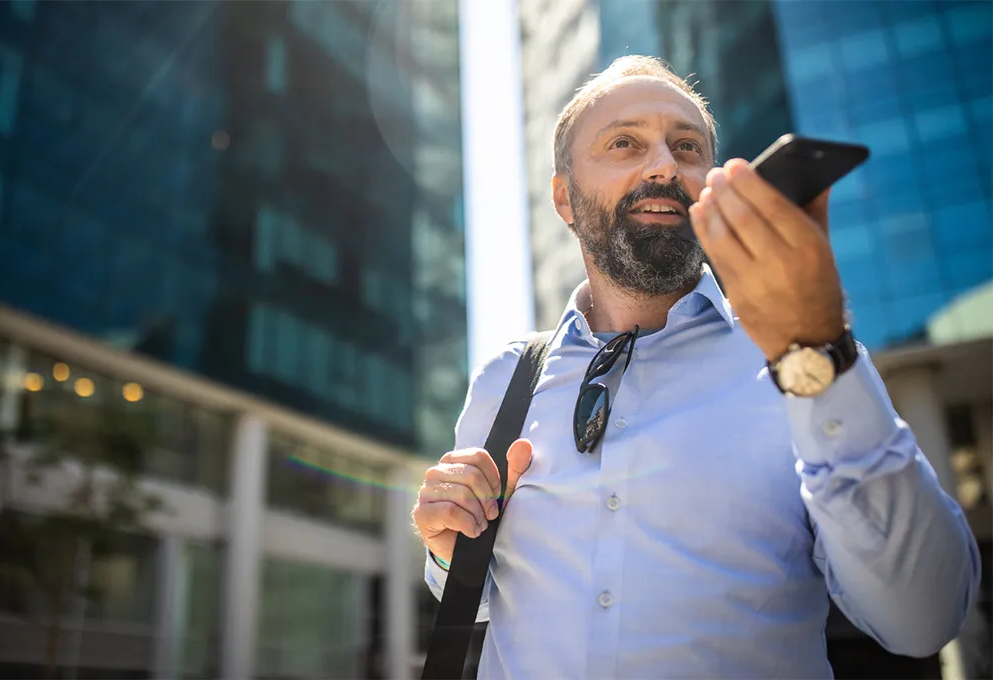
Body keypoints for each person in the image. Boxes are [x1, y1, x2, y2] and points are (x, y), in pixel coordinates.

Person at [412, 55, 981, 678]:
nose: (663, 166)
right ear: (564, 198)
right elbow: (484, 593)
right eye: (625, 143)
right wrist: (448, 550)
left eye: (686, 147)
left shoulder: (806, 359)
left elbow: (924, 619)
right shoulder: (504, 381)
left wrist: (822, 355)